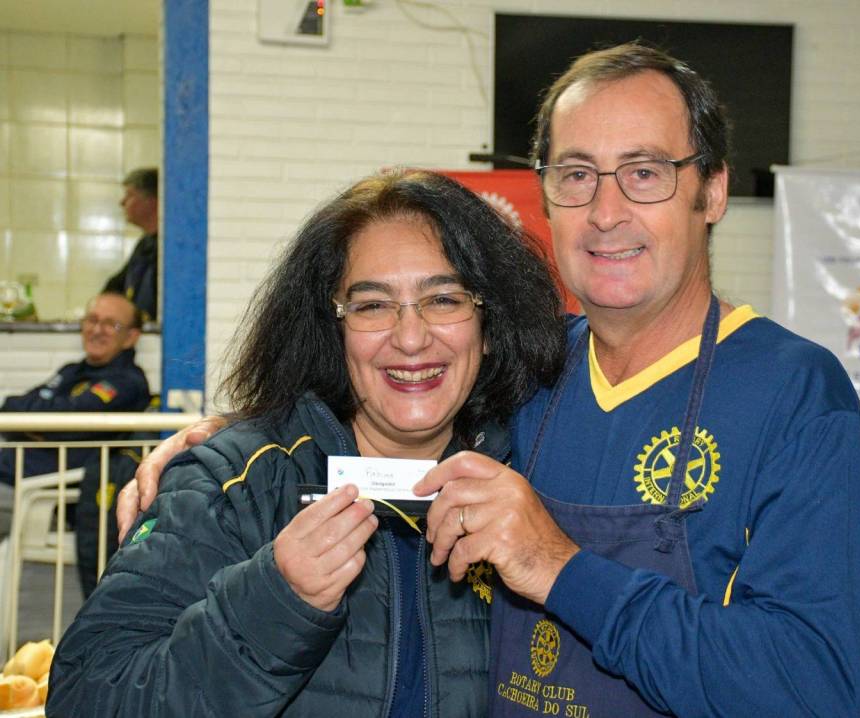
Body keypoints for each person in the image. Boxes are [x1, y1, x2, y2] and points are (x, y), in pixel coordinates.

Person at [117, 42, 860, 717]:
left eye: (644, 172)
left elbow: (815, 692)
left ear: (711, 190)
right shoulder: (530, 376)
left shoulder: (794, 397)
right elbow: (392, 414)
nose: (606, 211)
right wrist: (230, 446)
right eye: (576, 174)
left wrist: (560, 568)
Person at [48, 169, 564, 716]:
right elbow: (86, 697)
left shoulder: (537, 475)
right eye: (372, 305)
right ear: (331, 329)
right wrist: (274, 603)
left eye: (443, 299)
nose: (411, 338)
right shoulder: (234, 484)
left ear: (489, 325)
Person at [0, 292, 151, 485]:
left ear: (130, 337)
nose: (97, 330)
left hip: (53, 489)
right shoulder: (71, 371)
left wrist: (38, 427)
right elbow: (11, 407)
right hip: (15, 472)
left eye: (110, 324)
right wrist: (41, 427)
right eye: (92, 320)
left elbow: (65, 421)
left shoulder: (128, 382)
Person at [104, 167, 159, 321]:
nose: (122, 202)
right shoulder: (145, 244)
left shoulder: (169, 248)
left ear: (151, 201)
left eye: (129, 195)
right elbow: (116, 286)